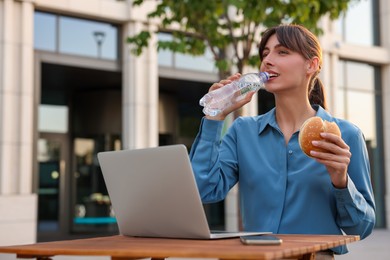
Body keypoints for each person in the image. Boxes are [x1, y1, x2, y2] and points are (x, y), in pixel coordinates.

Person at [189, 24, 376, 255]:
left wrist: (341, 180)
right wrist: (214, 118)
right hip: (255, 256)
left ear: (312, 64)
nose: (267, 60)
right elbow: (203, 190)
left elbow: (362, 226)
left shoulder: (344, 135)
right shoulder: (243, 131)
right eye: (265, 53)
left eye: (282, 52)